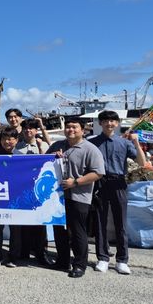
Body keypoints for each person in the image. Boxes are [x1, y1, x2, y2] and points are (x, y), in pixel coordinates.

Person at [47, 117, 105, 278]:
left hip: (79, 197)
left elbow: (98, 173)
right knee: (59, 229)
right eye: (68, 127)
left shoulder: (90, 149)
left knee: (78, 231)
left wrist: (76, 182)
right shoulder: (58, 145)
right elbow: (42, 162)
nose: (70, 130)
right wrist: (52, 156)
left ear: (82, 130)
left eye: (74, 127)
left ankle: (79, 264)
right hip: (57, 197)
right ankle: (62, 260)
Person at [89, 110, 145, 275]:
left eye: (112, 121)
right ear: (100, 123)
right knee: (100, 222)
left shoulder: (124, 143)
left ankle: (122, 260)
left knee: (121, 222)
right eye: (105, 121)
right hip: (99, 182)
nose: (109, 123)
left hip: (119, 182)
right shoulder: (92, 143)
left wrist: (137, 143)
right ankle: (103, 258)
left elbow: (142, 163)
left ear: (117, 123)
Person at [14, 119, 52, 265]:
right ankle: (24, 252)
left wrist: (42, 150)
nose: (28, 131)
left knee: (40, 223)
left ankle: (41, 252)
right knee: (24, 222)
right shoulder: (17, 148)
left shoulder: (43, 145)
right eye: (26, 129)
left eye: (31, 129)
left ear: (36, 131)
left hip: (40, 190)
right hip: (23, 190)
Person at [0, 128, 22, 268]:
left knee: (16, 229)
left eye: (10, 139)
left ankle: (13, 257)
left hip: (16, 198)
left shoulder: (22, 156)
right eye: (4, 139)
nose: (7, 142)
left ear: (16, 140)